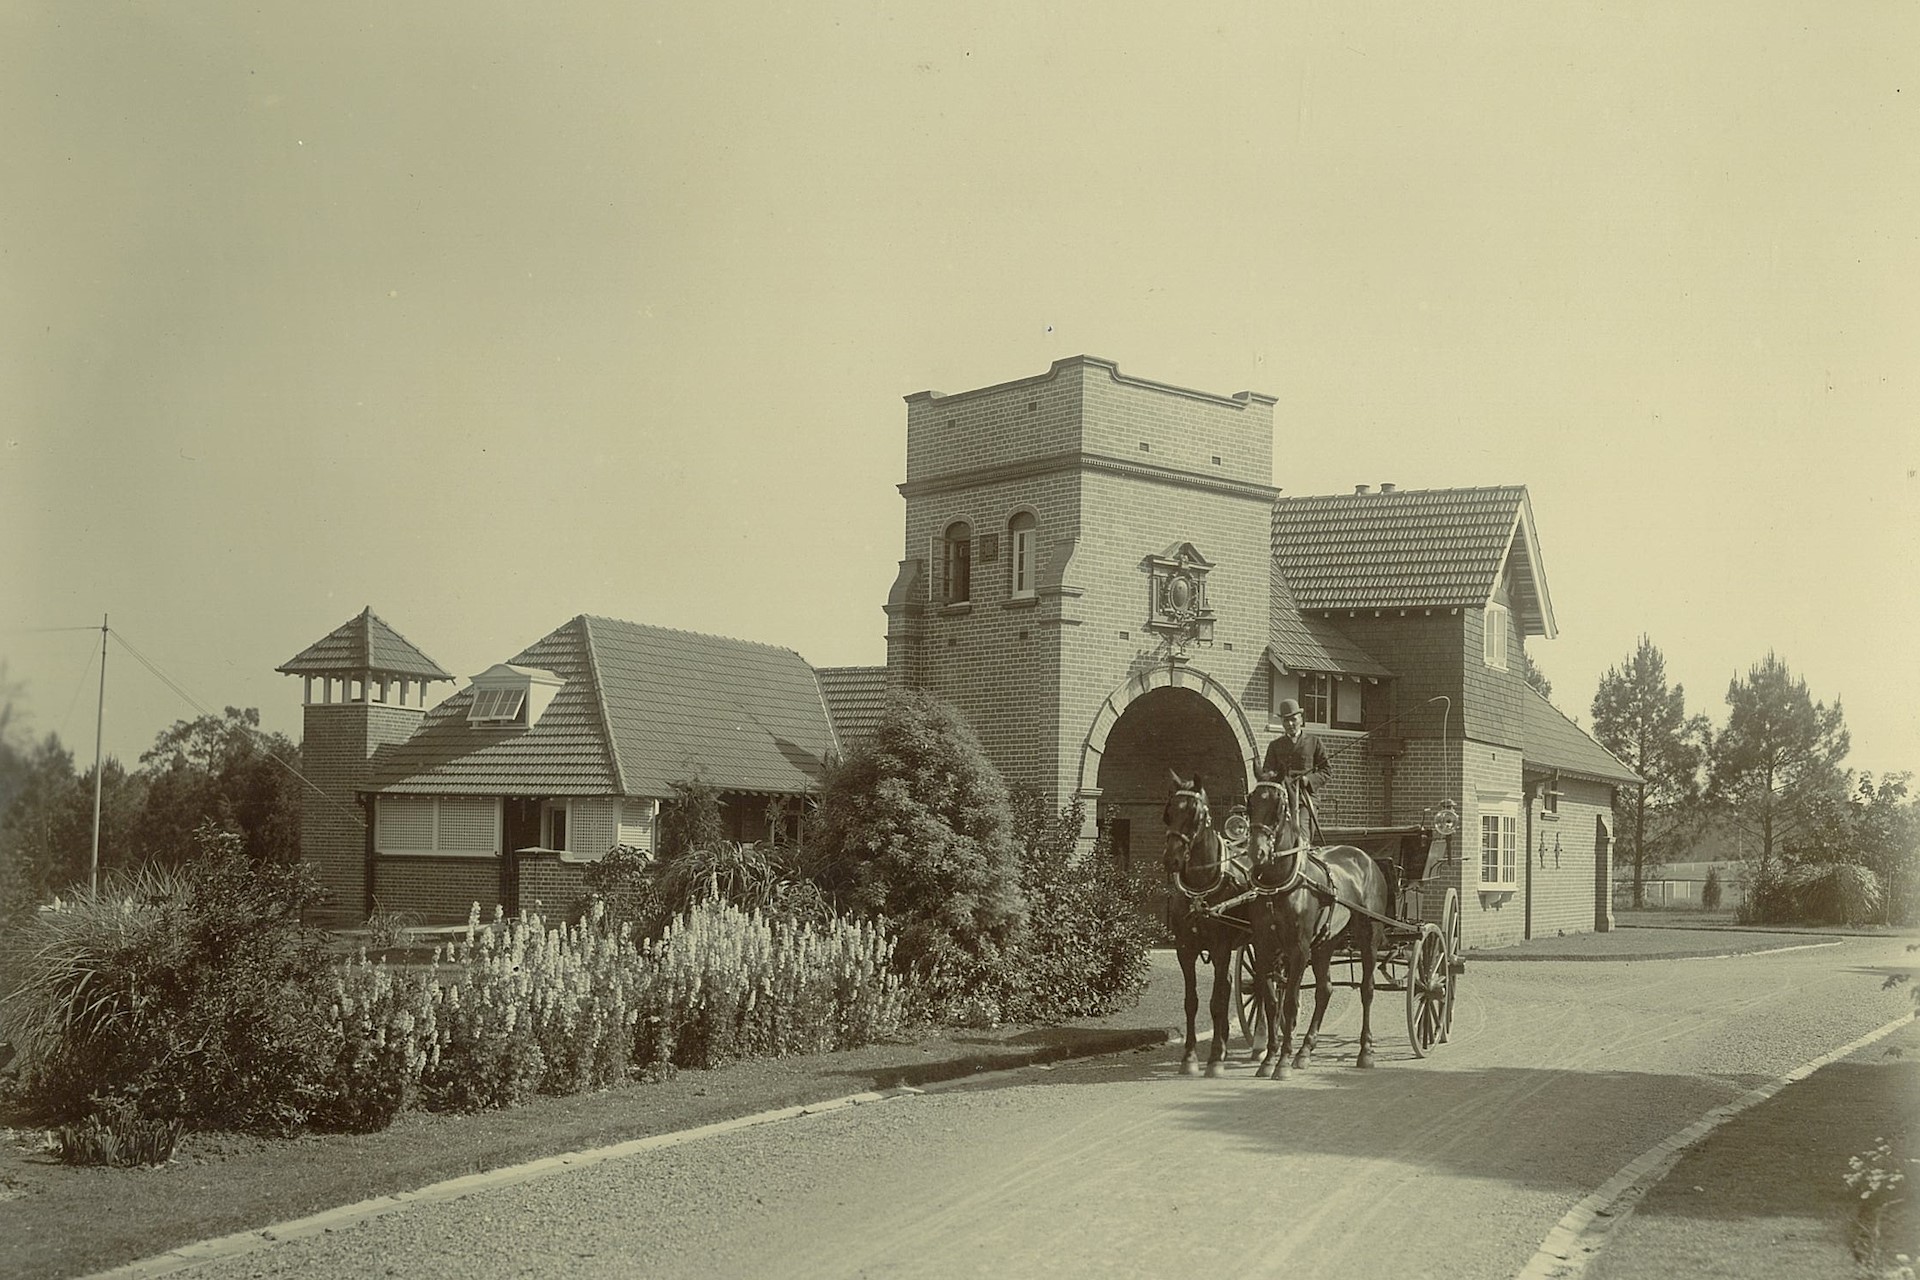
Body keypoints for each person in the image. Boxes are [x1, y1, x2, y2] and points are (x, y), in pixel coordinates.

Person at [1261, 698, 1332, 841]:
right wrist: (1272, 776)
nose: (1289, 724)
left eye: (1293, 719)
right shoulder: (1275, 746)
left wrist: (1308, 780)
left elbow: (1326, 771)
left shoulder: (1314, 742)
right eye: (1285, 721)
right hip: (1280, 799)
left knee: (1300, 835)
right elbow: (1267, 771)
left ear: (1301, 719)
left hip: (1304, 800)